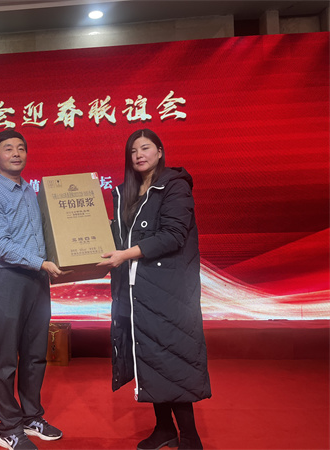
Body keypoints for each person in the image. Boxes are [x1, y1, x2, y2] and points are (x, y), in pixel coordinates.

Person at [98, 129, 211, 450]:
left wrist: (125, 254)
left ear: (160, 152)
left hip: (167, 291)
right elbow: (119, 236)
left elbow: (173, 235)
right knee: (149, 358)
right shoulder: (126, 192)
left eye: (145, 148)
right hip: (135, 291)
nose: (139, 155)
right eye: (133, 151)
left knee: (172, 359)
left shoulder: (174, 186)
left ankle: (190, 437)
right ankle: (164, 429)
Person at [0, 129, 64, 450]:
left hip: (37, 279)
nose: (16, 153)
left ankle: (31, 416)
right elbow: (0, 246)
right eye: (8, 149)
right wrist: (41, 263)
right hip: (9, 280)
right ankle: (9, 427)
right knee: (6, 358)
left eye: (21, 148)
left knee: (35, 353)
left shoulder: (30, 190)